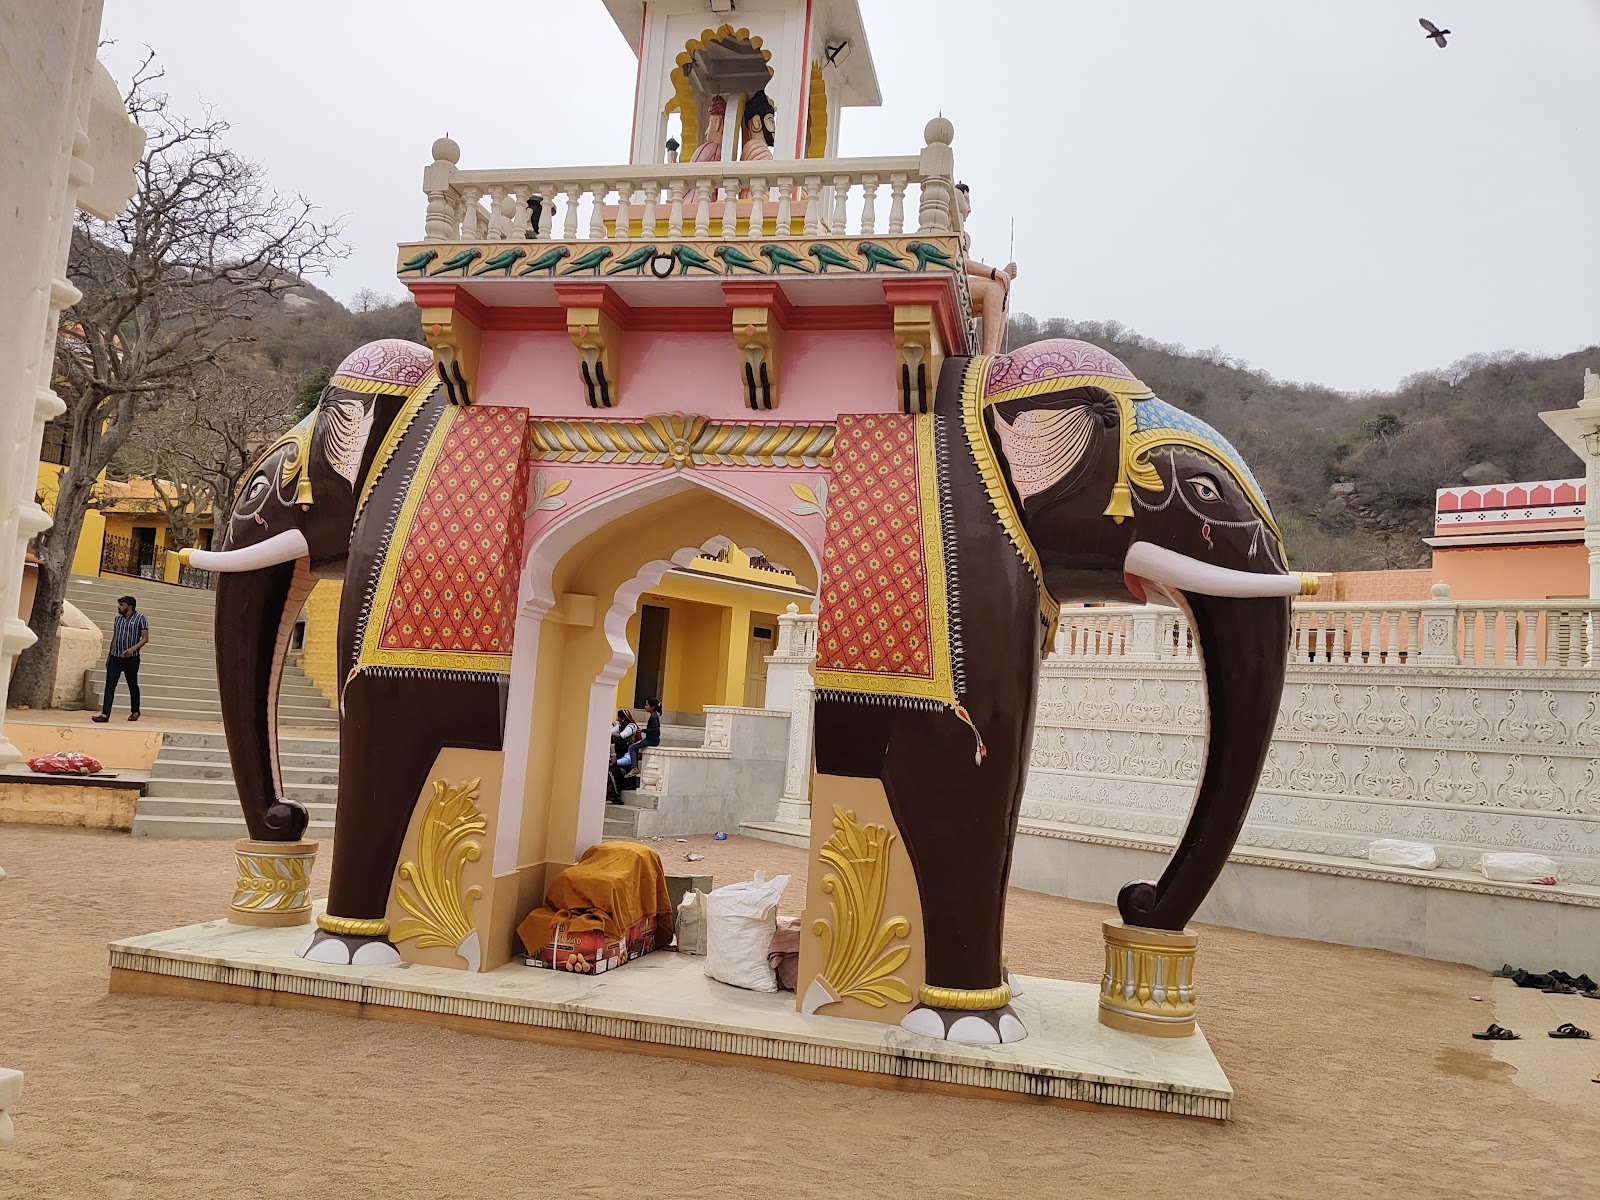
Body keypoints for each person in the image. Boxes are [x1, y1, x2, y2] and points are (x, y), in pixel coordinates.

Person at [955, 182, 1017, 356]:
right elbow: (957, 263)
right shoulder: (949, 228)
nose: (970, 209)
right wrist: (994, 272)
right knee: (994, 288)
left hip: (962, 286)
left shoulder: (965, 236)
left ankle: (994, 353)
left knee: (1001, 293)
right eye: (966, 201)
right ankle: (988, 355)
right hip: (951, 283)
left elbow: (964, 264)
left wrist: (1001, 275)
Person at [93, 594, 148, 723]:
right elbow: (115, 637)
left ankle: (135, 711)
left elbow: (145, 638)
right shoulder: (117, 619)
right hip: (115, 657)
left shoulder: (141, 618)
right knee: (110, 685)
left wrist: (132, 649)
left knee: (132, 684)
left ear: (129, 606)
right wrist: (109, 656)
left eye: (122, 605)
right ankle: (105, 714)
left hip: (131, 659)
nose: (119, 607)